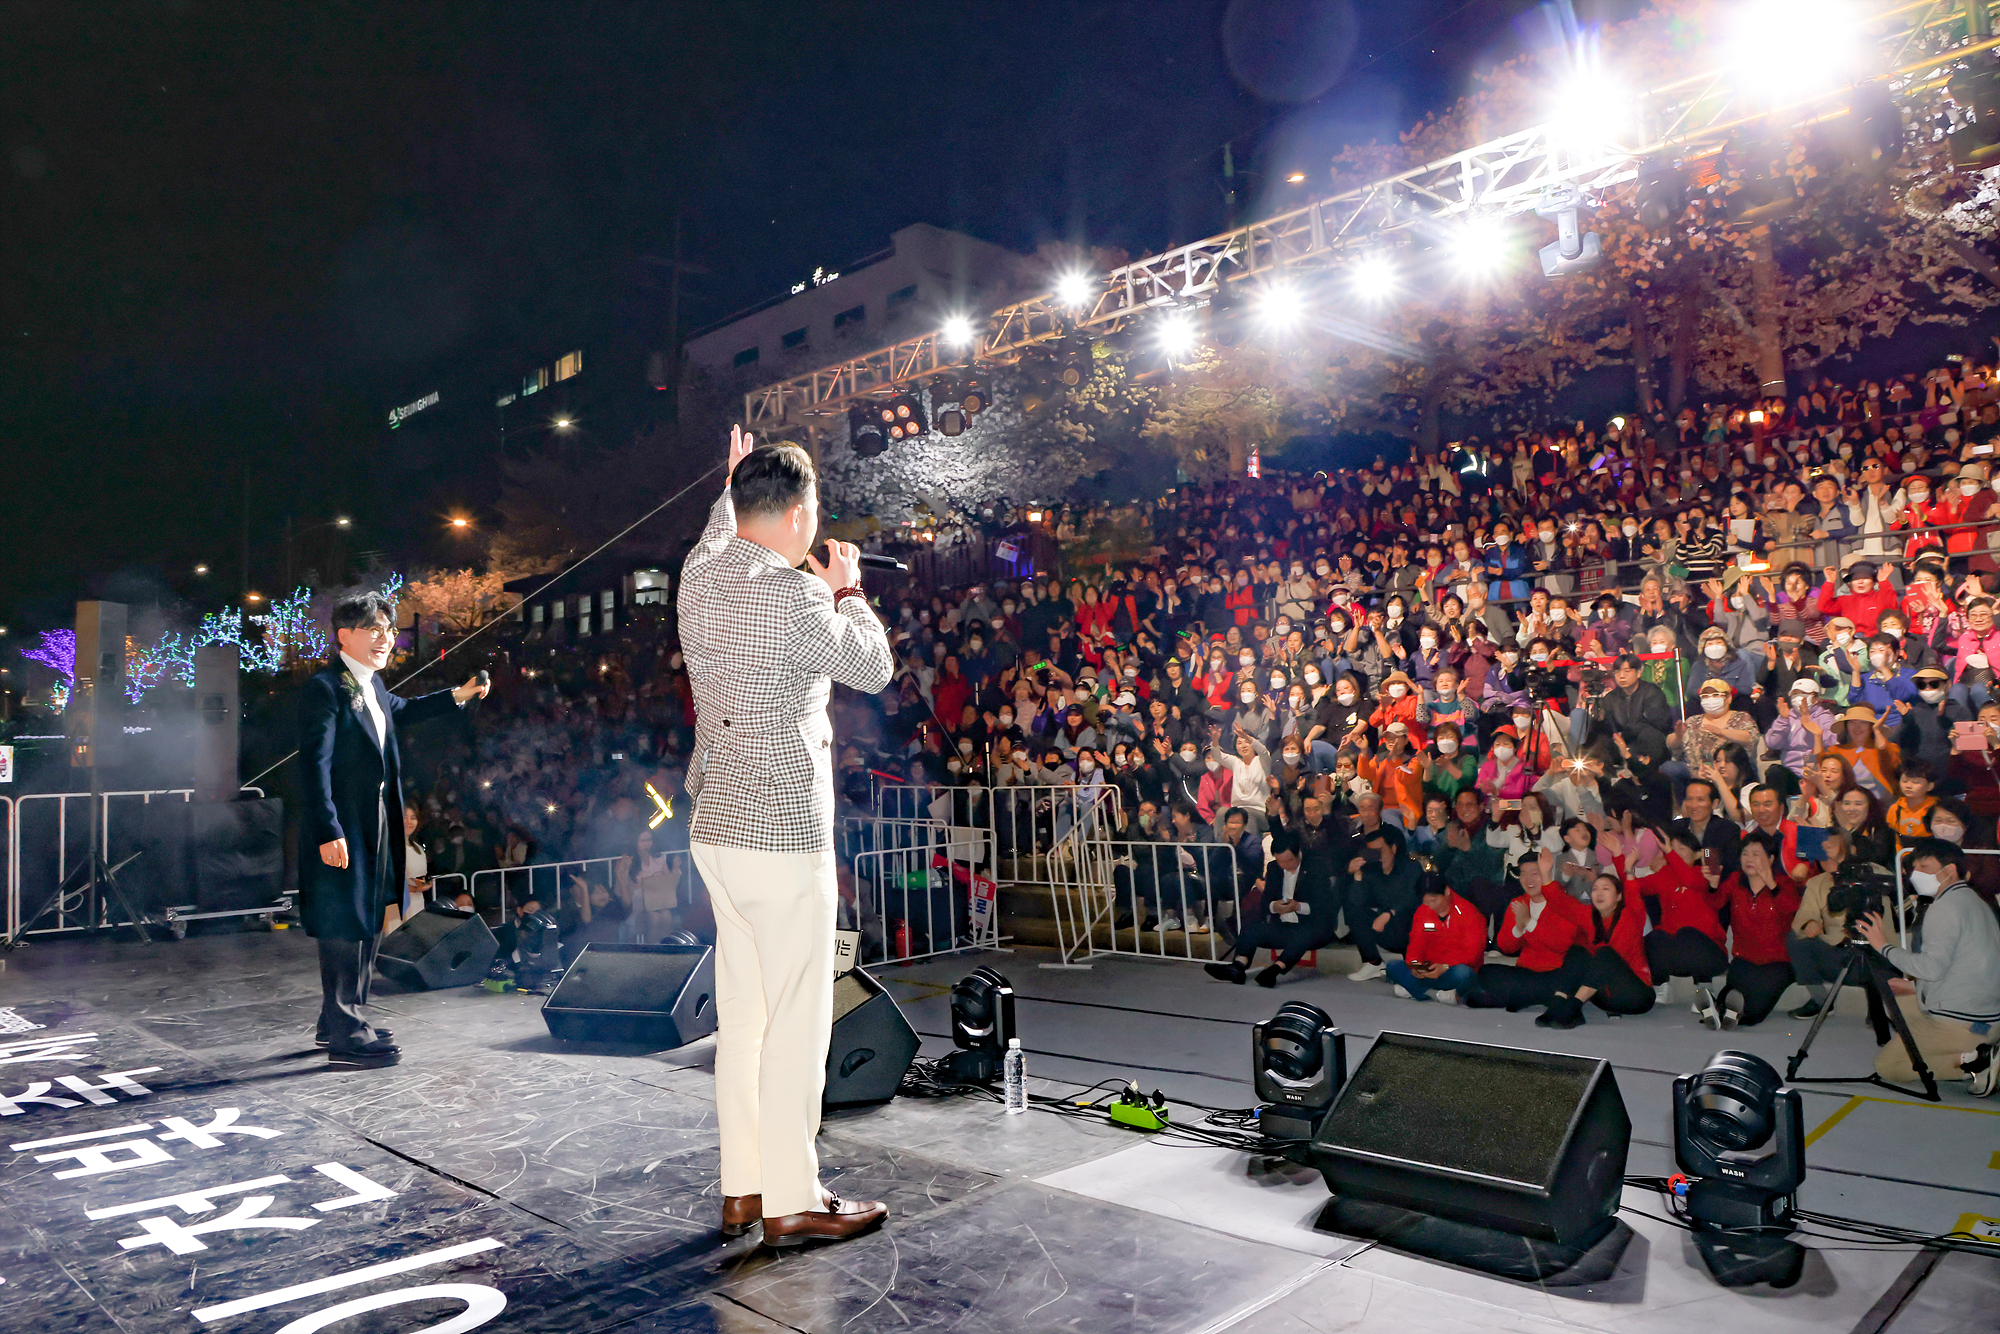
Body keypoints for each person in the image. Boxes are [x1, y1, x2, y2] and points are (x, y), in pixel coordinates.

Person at [679, 428, 895, 1245]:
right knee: (797, 1022)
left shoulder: (700, 574)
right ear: (802, 514)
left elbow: (717, 524)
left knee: (744, 1022)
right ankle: (791, 1199)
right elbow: (872, 669)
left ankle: (743, 1188)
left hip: (718, 829)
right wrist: (849, 591)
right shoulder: (797, 599)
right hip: (783, 837)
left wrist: (730, 478)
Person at [299, 591, 488, 1067]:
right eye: (374, 629)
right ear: (345, 636)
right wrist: (328, 828)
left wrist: (459, 695)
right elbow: (313, 767)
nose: (386, 638)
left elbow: (402, 711)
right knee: (344, 921)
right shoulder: (326, 688)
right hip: (344, 827)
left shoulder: (373, 686)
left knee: (365, 916)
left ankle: (339, 1018)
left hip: (375, 822)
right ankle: (346, 1032)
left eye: (389, 629)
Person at [1856, 838, 2000, 1096]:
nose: (1916, 873)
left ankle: (1976, 1062)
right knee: (1897, 1000)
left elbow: (1931, 969)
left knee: (1888, 1065)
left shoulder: (1944, 908)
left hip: (1963, 1022)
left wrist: (1883, 946)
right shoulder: (1977, 902)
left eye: (1925, 866)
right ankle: (1976, 1049)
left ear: (1950, 871)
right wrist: (1914, 985)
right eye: (1915, 867)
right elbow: (1966, 963)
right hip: (1987, 1016)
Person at [1204, 834, 1338, 987]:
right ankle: (1239, 965)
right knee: (1250, 928)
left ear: (1298, 854)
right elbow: (1266, 900)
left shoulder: (1316, 868)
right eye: (1280, 861)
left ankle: (1275, 970)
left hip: (1313, 926)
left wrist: (1297, 906)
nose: (1285, 865)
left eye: (1290, 860)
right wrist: (1274, 906)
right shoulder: (1274, 868)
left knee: (1303, 934)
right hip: (1283, 925)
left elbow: (1324, 906)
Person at [1469, 853, 1592, 1011]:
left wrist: (1529, 923)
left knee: (1565, 983)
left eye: (1535, 874)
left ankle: (1515, 996)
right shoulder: (1519, 903)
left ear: (1548, 874)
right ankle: (1528, 996)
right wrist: (1519, 928)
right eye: (1523, 874)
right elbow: (1506, 948)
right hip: (1527, 971)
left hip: (1556, 973)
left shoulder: (1563, 903)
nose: (1528, 880)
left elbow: (1562, 945)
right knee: (1486, 972)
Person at [1536, 872, 1655, 1029]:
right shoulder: (1590, 915)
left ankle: (1573, 1007)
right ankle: (1558, 1003)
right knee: (1578, 951)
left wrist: (1630, 873)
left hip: (1635, 997)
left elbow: (1635, 900)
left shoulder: (1629, 916)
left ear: (1619, 897)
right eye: (1595, 889)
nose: (1598, 893)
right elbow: (1562, 904)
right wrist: (1546, 877)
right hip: (1603, 996)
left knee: (1605, 954)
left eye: (1605, 889)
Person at [1710, 835, 1802, 1028]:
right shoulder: (1736, 880)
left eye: (1756, 854)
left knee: (1754, 1013)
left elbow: (1792, 910)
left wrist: (1772, 884)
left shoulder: (1784, 883)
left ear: (1770, 859)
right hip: (1744, 958)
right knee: (1735, 990)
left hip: (1778, 962)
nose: (1749, 859)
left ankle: (1721, 1012)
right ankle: (1720, 1009)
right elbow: (1715, 903)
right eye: (1745, 854)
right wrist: (1712, 885)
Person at [1386, 879, 1486, 1003]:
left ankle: (1415, 990)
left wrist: (1445, 966)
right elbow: (1415, 945)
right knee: (1392, 966)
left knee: (1463, 974)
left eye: (1434, 900)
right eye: (1426, 902)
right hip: (1429, 969)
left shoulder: (1469, 913)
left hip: (1452, 969)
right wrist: (1415, 965)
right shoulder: (1423, 911)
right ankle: (1436, 994)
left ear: (1447, 892)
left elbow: (1472, 954)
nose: (1431, 906)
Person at [1344, 824, 1421, 982]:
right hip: (1385, 928)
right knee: (1354, 911)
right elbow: (1357, 901)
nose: (1379, 857)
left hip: (1409, 928)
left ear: (1393, 848)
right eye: (1374, 853)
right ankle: (1373, 963)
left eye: (1382, 851)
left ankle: (1410, 968)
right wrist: (1358, 876)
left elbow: (1413, 898)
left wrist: (1389, 913)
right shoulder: (1371, 871)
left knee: (1404, 916)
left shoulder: (1411, 867)